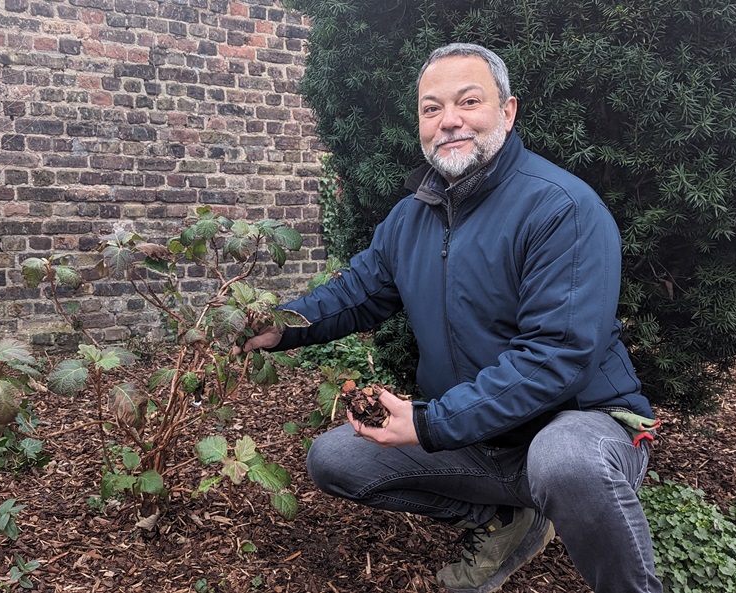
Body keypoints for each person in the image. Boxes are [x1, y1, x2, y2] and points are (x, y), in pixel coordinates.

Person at [238, 43, 662, 593]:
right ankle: (508, 520)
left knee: (566, 461)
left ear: (507, 112)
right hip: (476, 433)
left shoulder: (561, 209)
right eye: (432, 108)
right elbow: (356, 294)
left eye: (468, 101)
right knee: (336, 458)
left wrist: (429, 422)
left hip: (575, 423)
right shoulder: (411, 216)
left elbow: (556, 356)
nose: (449, 121)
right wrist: (278, 324)